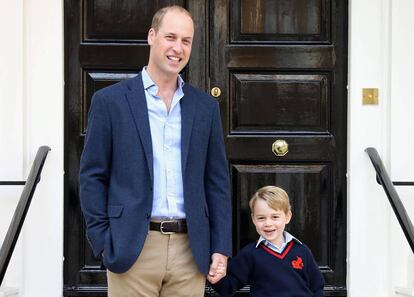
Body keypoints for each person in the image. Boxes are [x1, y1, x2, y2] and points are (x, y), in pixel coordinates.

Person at [79, 5, 231, 297]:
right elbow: (92, 176)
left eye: (186, 41)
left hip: (191, 250)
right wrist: (102, 241)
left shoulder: (205, 108)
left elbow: (217, 184)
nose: (178, 48)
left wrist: (221, 247)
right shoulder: (110, 103)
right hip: (132, 248)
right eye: (170, 37)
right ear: (152, 36)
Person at [209, 186, 324, 297]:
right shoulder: (250, 254)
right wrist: (216, 278)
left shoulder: (302, 250)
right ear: (253, 219)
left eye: (275, 217)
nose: (268, 223)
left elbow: (317, 286)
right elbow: (228, 286)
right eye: (261, 218)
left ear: (287, 217)